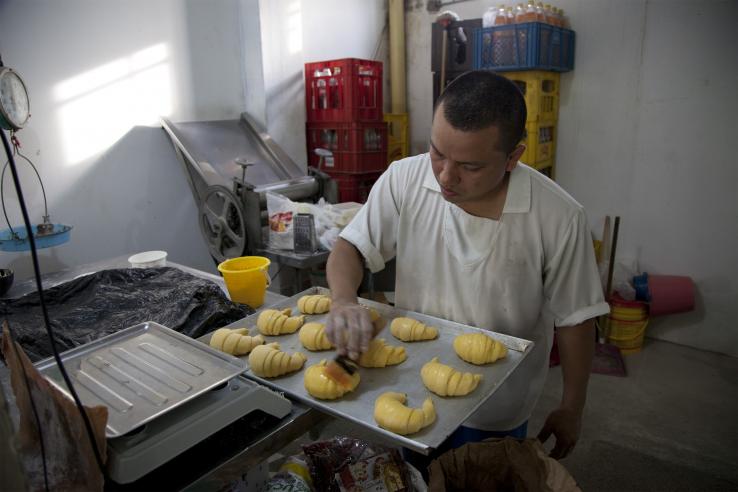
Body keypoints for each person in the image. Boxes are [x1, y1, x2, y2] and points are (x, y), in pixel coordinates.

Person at [325, 70, 609, 462]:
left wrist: (572, 407)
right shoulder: (405, 179)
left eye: (470, 166)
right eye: (437, 152)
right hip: (409, 386)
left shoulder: (557, 216)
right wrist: (343, 300)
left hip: (497, 406)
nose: (445, 175)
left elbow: (577, 319)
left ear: (513, 157)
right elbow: (351, 247)